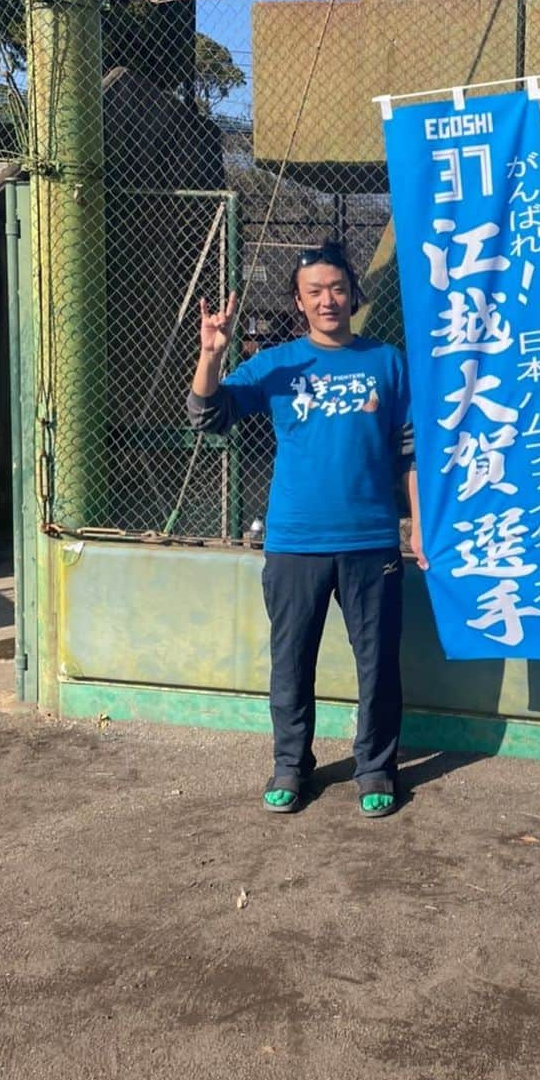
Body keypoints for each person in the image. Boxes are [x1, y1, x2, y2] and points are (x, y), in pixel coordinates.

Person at [188, 241, 425, 818]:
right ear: (298, 301)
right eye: (315, 291)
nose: (328, 300)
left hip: (372, 541)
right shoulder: (278, 365)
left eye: (337, 289)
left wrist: (417, 525)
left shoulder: (388, 362)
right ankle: (291, 765)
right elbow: (207, 415)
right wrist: (211, 356)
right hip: (295, 541)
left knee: (378, 663)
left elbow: (410, 450)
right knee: (291, 660)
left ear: (353, 295)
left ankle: (375, 767)